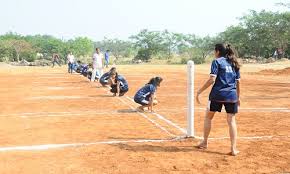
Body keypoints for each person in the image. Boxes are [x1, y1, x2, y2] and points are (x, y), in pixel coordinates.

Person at [196, 44, 241, 156]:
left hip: (217, 95)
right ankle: (233, 149)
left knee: (208, 117)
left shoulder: (217, 61)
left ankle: (205, 142)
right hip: (231, 95)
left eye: (214, 51)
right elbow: (238, 82)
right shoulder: (234, 62)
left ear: (217, 51)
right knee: (231, 121)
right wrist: (238, 97)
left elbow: (212, 79)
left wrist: (199, 91)